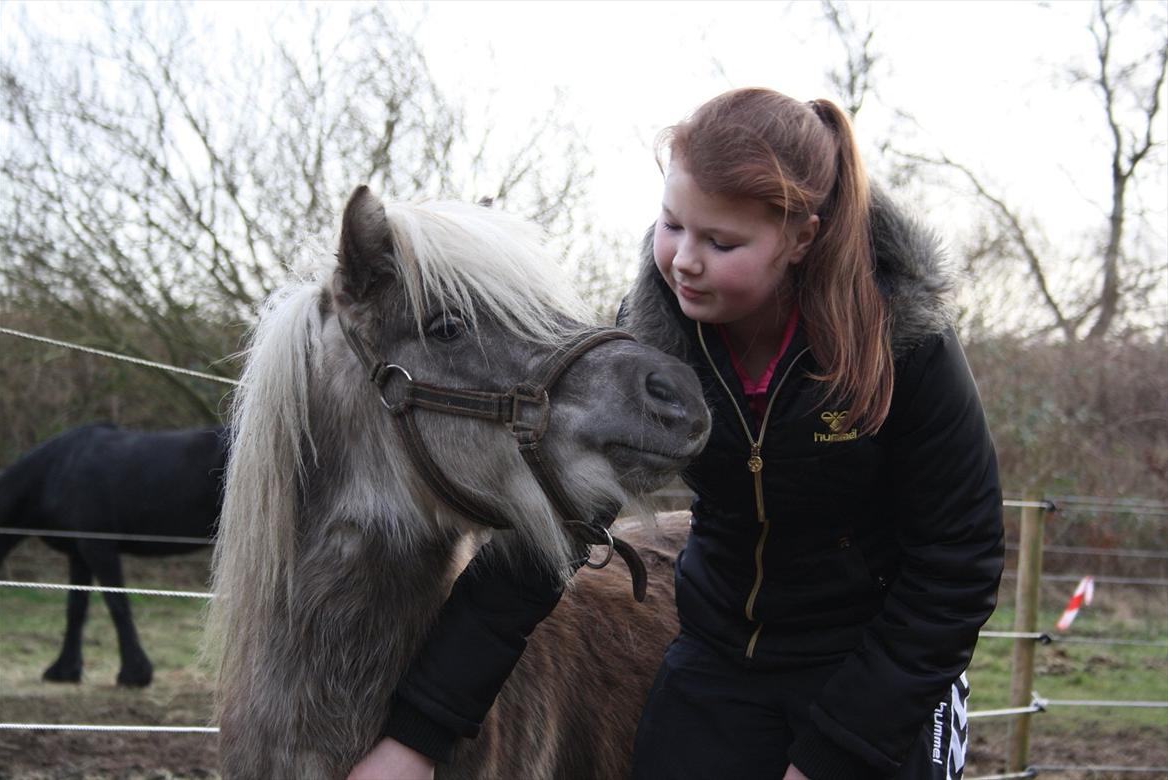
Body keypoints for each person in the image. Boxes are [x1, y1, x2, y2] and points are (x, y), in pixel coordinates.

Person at [349, 87, 1004, 780]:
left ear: (801, 239)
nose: (685, 260)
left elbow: (956, 566)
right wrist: (417, 737)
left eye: (721, 242)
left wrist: (836, 755)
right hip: (720, 663)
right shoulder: (651, 343)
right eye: (672, 224)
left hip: (878, 672)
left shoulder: (903, 344)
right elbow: (545, 546)